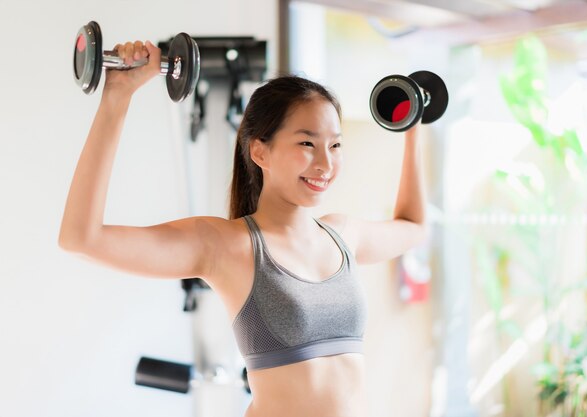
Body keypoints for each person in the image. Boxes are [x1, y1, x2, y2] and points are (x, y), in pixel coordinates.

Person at [58, 40, 426, 417]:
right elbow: (81, 238)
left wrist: (414, 126)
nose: (325, 163)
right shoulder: (228, 246)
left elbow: (414, 227)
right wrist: (117, 98)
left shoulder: (342, 236)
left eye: (335, 145)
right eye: (306, 143)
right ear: (260, 151)